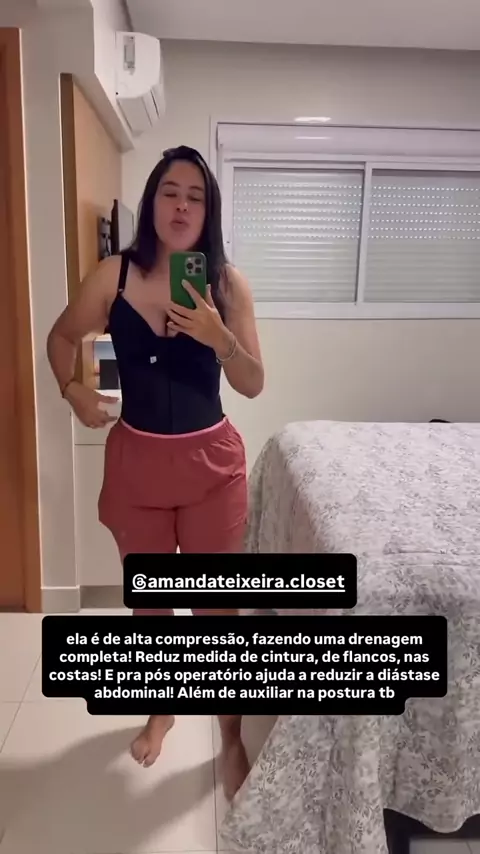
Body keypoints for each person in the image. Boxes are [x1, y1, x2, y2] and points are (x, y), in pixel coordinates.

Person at [47, 145, 264, 800]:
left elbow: (253, 382)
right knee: (151, 605)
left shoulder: (226, 284)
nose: (182, 205)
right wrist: (73, 390)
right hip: (137, 464)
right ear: (152, 202)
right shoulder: (113, 275)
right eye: (170, 191)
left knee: (216, 609)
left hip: (210, 467)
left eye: (196, 196)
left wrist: (219, 337)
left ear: (209, 211)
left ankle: (230, 736)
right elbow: (61, 338)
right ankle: (163, 707)